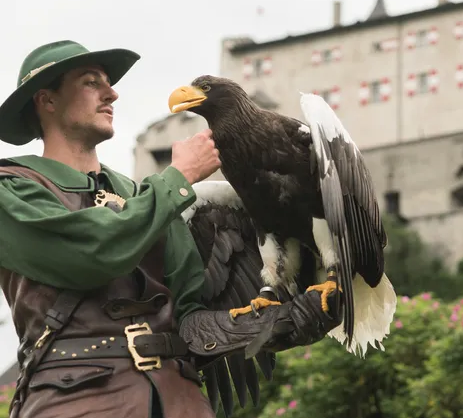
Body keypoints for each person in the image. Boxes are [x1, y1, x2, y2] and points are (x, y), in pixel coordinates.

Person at [0, 41, 341, 418]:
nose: (111, 92)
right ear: (46, 100)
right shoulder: (12, 190)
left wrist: (278, 322)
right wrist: (179, 179)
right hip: (75, 400)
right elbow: (89, 254)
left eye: (108, 83)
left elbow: (192, 313)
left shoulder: (145, 197)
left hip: (179, 401)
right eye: (91, 82)